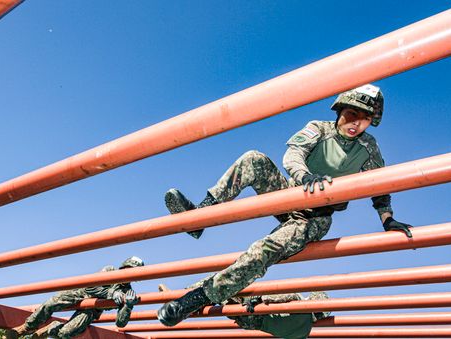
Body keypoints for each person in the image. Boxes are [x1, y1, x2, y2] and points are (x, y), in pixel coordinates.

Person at [157, 84, 412, 326]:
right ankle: (200, 218)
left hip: (314, 218)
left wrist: (387, 219)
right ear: (340, 110)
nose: (356, 123)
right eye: (351, 114)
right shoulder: (319, 130)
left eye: (365, 118)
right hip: (291, 195)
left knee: (262, 251)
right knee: (253, 159)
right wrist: (304, 176)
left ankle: (191, 301)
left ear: (372, 122)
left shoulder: (368, 148)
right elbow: (293, 154)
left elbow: (378, 186)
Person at [4, 256, 144, 339]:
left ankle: (53, 328)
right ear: (124, 267)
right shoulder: (110, 271)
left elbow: (120, 324)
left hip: (91, 310)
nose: (131, 273)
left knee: (66, 333)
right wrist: (111, 294)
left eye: (134, 272)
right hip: (80, 293)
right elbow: (90, 286)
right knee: (51, 303)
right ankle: (25, 328)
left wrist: (128, 307)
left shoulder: (128, 293)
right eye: (129, 269)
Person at [158, 283, 331, 339]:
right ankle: (184, 309)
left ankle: (179, 301)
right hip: (252, 323)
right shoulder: (304, 333)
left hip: (255, 310)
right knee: (220, 299)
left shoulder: (301, 304)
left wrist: (260, 298)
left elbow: (284, 296)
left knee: (218, 287)